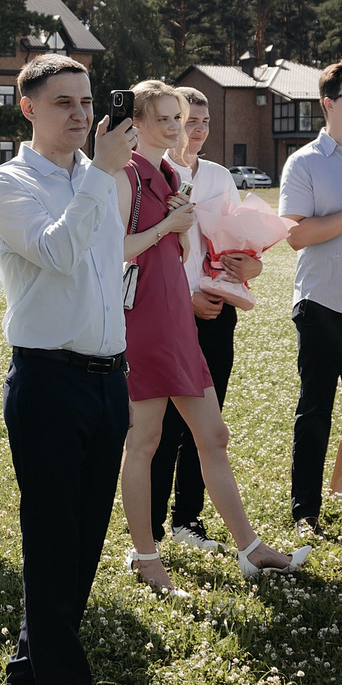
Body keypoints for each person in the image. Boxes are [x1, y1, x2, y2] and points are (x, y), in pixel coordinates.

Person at [0, 52, 138, 685]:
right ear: (28, 108)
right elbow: (59, 251)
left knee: (86, 536)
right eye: (63, 104)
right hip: (48, 377)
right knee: (52, 534)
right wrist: (102, 176)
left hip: (110, 375)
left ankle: (30, 664)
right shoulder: (9, 182)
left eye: (85, 101)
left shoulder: (98, 176)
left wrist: (102, 176)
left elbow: (109, 266)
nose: (80, 114)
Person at [117, 81, 308, 589]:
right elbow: (114, 248)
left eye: (179, 119)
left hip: (175, 314)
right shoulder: (125, 173)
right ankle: (143, 555)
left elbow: (190, 248)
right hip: (144, 317)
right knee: (145, 439)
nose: (178, 128)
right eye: (165, 119)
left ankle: (250, 547)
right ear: (136, 122)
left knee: (214, 434)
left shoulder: (170, 173)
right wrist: (168, 226)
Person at [149, 86, 261, 553]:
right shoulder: (154, 170)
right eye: (185, 119)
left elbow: (236, 239)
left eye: (203, 122)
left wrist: (250, 267)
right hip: (169, 311)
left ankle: (188, 521)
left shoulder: (217, 175)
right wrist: (187, 297)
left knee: (208, 424)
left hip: (216, 311)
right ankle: (151, 524)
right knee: (161, 427)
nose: (194, 130)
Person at [281, 60, 342, 528]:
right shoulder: (303, 162)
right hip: (320, 302)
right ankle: (305, 513)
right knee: (315, 409)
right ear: (328, 103)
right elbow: (297, 236)